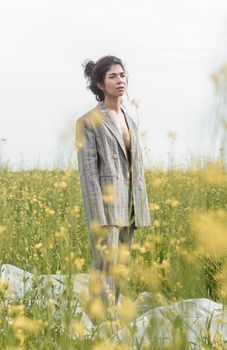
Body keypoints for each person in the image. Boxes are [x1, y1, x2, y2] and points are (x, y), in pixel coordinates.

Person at [75, 55, 151, 321]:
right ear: (99, 84)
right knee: (105, 263)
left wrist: (141, 207)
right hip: (106, 205)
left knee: (121, 265)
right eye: (113, 77)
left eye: (122, 75)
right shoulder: (88, 122)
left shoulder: (131, 119)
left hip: (130, 203)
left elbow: (136, 167)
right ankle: (98, 318)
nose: (120, 81)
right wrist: (97, 216)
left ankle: (111, 314)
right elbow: (88, 174)